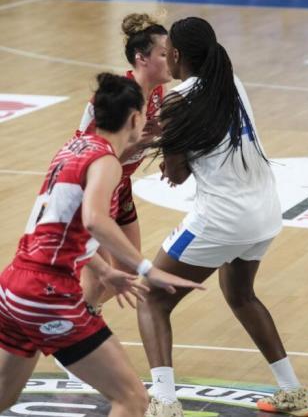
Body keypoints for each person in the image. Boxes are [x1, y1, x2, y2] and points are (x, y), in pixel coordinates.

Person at [136, 17, 308, 417]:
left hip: (223, 217)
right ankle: (293, 392)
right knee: (240, 294)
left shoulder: (176, 99)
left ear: (179, 56)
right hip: (267, 211)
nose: (165, 61)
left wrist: (162, 149)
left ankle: (164, 400)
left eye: (167, 54)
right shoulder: (230, 83)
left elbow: (177, 173)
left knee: (151, 298)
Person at [0, 73, 204, 417]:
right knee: (133, 399)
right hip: (48, 293)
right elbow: (95, 219)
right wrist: (146, 268)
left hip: (13, 287)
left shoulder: (72, 147)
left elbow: (62, 227)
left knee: (3, 397)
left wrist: (105, 270)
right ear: (135, 118)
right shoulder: (106, 161)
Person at [79, 12, 171, 307]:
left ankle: (78, 319)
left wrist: (167, 150)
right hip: (94, 186)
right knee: (97, 279)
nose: (171, 59)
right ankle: (70, 335)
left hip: (121, 183)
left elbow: (158, 133)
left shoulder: (157, 90)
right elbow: (88, 154)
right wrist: (140, 144)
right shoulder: (117, 96)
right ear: (141, 58)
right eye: (164, 54)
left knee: (129, 270)